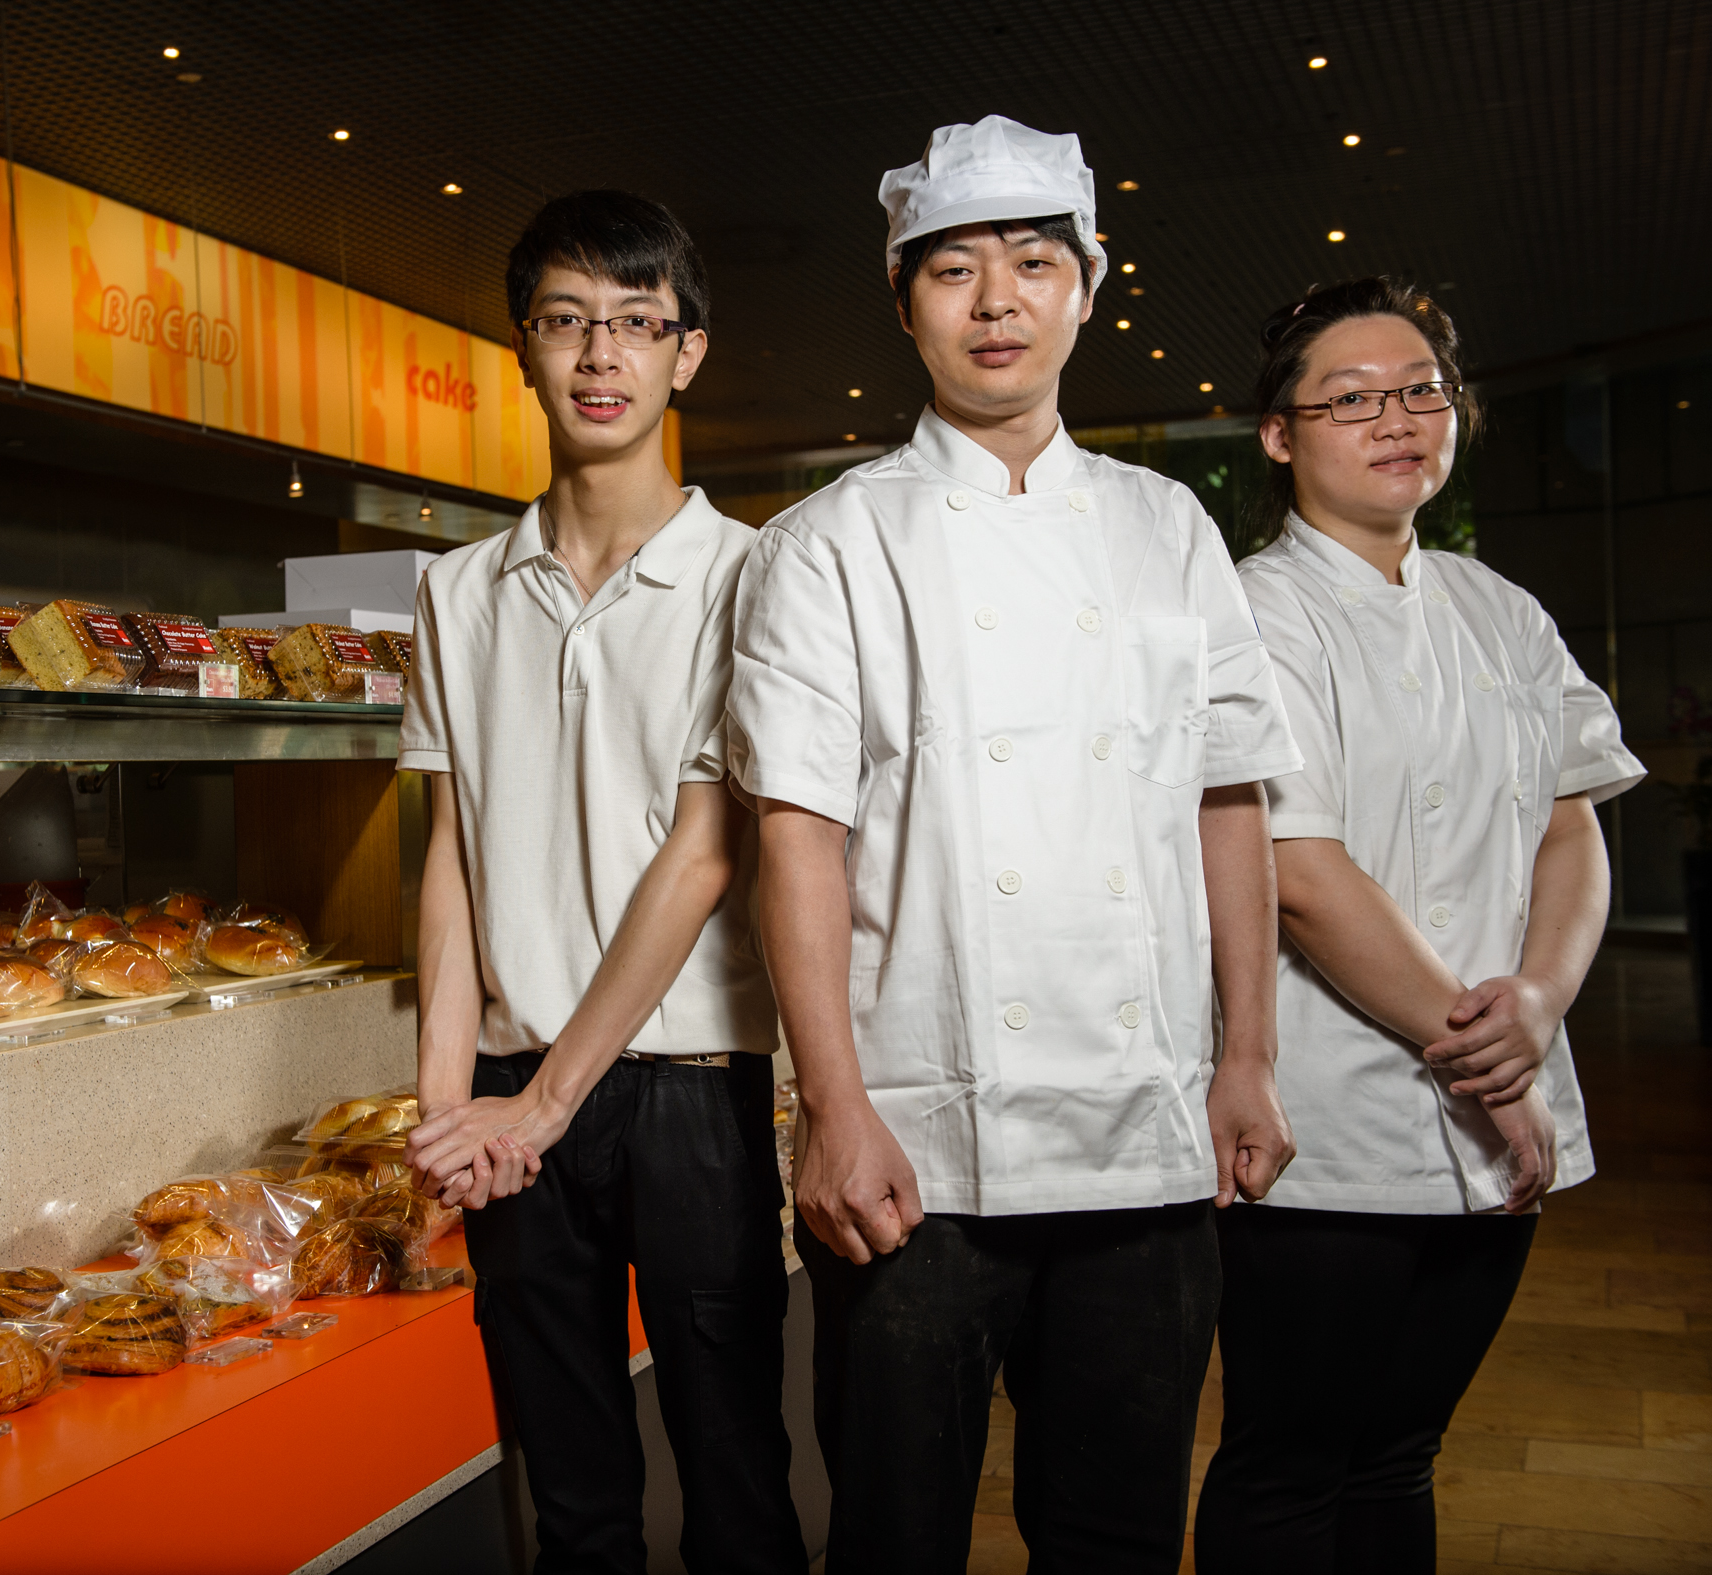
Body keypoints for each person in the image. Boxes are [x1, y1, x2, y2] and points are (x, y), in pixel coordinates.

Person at [726, 115, 1305, 1573]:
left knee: (1116, 1536)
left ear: (1088, 286)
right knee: (893, 1539)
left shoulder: (1169, 530)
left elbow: (1225, 804)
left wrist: (1247, 1057)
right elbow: (796, 837)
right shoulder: (829, 544)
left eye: (1035, 264)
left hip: (1147, 1133)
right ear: (905, 300)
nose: (998, 302)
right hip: (915, 1147)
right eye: (957, 272)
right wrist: (830, 1110)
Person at [1191, 279, 1643, 1574]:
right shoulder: (1252, 613)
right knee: (1289, 1461)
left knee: (1403, 1454)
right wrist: (1483, 1056)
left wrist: (1544, 1006)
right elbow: (1303, 872)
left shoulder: (1500, 610)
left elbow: (1571, 825)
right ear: (1279, 435)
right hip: (1323, 1127)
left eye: (1421, 392)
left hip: (1507, 1110)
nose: (1395, 419)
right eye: (1350, 398)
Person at [399, 191, 806, 1575]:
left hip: (688, 1084)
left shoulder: (755, 577)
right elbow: (448, 859)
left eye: (638, 325)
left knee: (736, 1477)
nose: (601, 356)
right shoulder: (456, 591)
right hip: (511, 1096)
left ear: (686, 354)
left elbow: (707, 851)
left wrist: (545, 1103)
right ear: (522, 345)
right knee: (571, 1499)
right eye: (569, 322)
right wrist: (446, 1105)